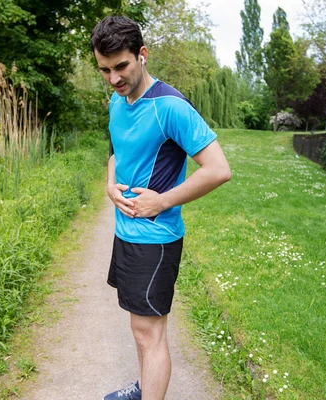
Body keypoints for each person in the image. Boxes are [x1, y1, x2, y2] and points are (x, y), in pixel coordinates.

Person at [91, 16, 231, 400]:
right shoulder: (117, 103)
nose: (114, 78)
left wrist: (162, 200)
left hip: (155, 239)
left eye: (121, 66)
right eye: (105, 70)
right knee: (139, 328)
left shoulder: (170, 106)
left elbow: (219, 169)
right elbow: (117, 153)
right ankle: (143, 388)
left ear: (142, 55)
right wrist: (109, 184)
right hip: (126, 233)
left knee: (150, 334)